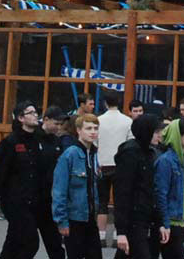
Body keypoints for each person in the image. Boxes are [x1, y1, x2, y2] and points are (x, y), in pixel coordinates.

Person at [0, 101, 65, 259]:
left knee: (15, 242)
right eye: (31, 113)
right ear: (21, 118)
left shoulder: (39, 140)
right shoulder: (10, 142)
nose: (36, 115)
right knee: (30, 242)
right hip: (15, 201)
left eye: (36, 112)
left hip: (38, 200)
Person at [113, 114, 166, 259]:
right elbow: (122, 191)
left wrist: (159, 221)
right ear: (146, 132)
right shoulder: (130, 153)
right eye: (155, 132)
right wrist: (121, 231)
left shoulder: (150, 152)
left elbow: (152, 189)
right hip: (133, 217)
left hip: (145, 215)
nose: (159, 135)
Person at [53, 113, 102, 259]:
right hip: (74, 219)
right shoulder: (70, 155)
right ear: (79, 131)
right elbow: (59, 190)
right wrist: (61, 221)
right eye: (88, 128)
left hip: (90, 217)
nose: (93, 132)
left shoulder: (93, 154)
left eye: (95, 128)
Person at [153, 119, 184, 259]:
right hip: (169, 221)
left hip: (180, 220)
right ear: (178, 135)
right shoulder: (166, 161)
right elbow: (160, 194)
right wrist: (163, 223)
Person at [98, 100, 134, 246]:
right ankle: (118, 234)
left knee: (102, 201)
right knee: (120, 201)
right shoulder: (127, 121)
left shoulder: (99, 121)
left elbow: (94, 141)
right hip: (120, 165)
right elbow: (130, 141)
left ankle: (101, 235)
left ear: (105, 103)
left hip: (102, 163)